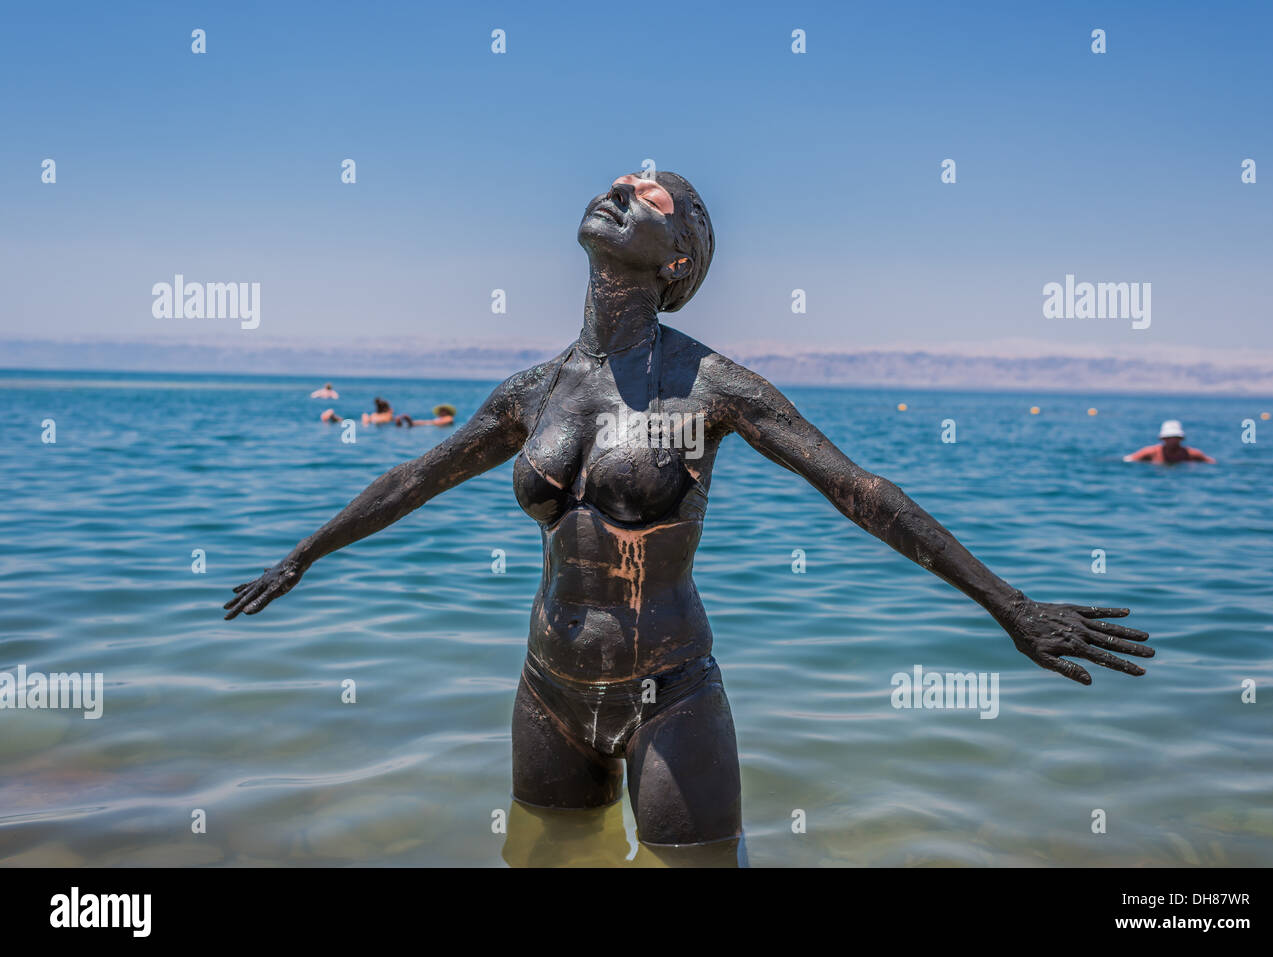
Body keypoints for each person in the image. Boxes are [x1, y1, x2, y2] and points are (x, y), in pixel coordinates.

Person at [225, 171, 1152, 855]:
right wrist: (303, 553)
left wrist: (1010, 605)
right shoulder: (534, 391)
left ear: (678, 260)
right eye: (622, 181)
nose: (625, 188)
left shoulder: (712, 387)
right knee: (540, 858)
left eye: (655, 197)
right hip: (547, 693)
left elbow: (861, 491)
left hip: (670, 699)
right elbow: (412, 480)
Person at [1124, 420, 1216, 464]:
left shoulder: (1192, 454)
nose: (1172, 441)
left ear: (1181, 438)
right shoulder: (1151, 452)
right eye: (1169, 438)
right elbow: (1128, 460)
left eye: (1175, 437)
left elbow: (1212, 462)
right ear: (1163, 439)